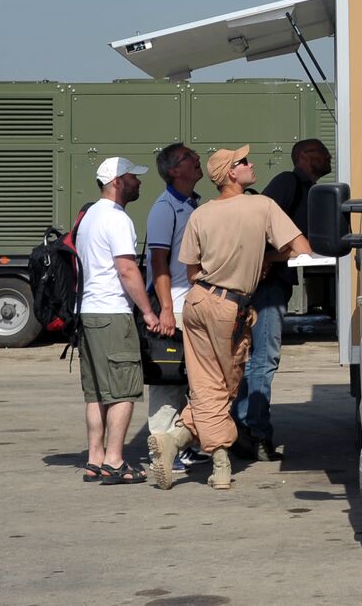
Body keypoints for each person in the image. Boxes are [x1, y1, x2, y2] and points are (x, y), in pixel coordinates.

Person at [148, 144, 312, 490]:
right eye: (244, 162)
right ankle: (220, 463)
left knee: (206, 385)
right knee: (224, 388)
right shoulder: (262, 205)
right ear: (231, 174)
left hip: (198, 302)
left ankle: (175, 440)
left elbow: (191, 270)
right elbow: (302, 249)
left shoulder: (201, 213)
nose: (251, 164)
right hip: (230, 307)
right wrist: (265, 257)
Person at [234, 138, 331, 460]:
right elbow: (258, 224)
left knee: (258, 360)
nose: (328, 156)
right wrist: (268, 259)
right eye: (322, 151)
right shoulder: (288, 182)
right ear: (304, 157)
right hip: (267, 287)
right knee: (263, 359)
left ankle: (246, 428)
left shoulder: (307, 188)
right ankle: (255, 434)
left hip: (275, 284)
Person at [76, 156, 162, 486]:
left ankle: (94, 458)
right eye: (132, 178)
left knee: (97, 391)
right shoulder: (117, 218)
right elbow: (127, 270)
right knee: (124, 390)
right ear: (116, 182)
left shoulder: (88, 215)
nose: (138, 182)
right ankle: (114, 461)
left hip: (88, 312)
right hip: (112, 313)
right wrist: (148, 312)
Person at [141, 143, 209, 483]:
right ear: (173, 170)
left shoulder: (192, 203)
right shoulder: (165, 208)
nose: (198, 160)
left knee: (188, 379)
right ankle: (161, 443)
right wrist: (166, 309)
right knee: (167, 379)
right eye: (189, 158)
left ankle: (181, 444)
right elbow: (158, 261)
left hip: (190, 304)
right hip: (174, 305)